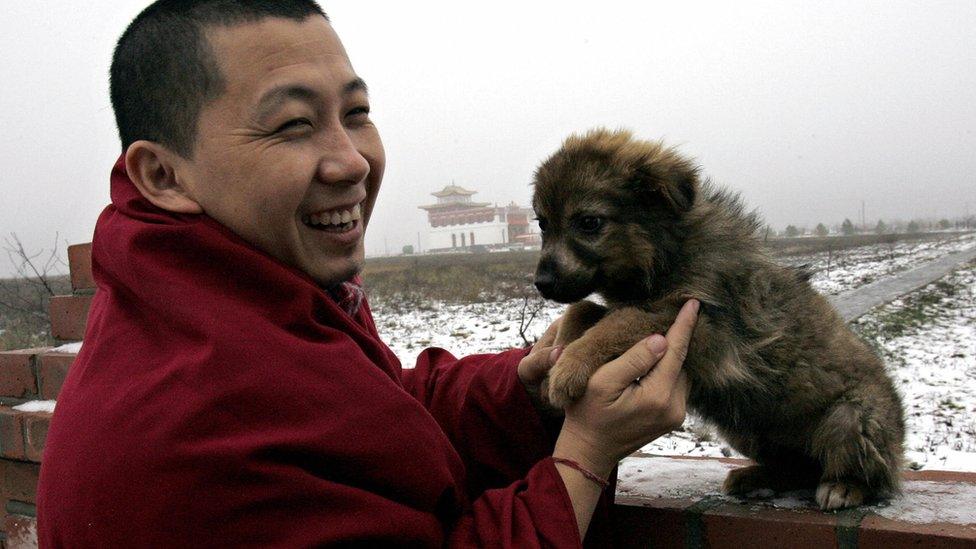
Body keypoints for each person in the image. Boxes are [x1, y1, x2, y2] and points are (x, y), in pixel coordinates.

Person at [37, 1, 696, 546]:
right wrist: (582, 455)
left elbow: (375, 414)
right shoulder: (194, 438)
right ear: (163, 174)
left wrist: (525, 389)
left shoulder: (232, 292)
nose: (351, 161)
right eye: (293, 124)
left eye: (355, 113)